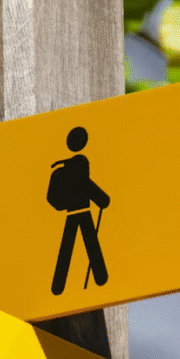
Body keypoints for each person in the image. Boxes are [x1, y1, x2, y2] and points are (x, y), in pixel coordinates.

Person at [47, 126, 110, 295]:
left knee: (70, 247)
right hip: (83, 211)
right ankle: (100, 277)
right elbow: (87, 186)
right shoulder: (78, 166)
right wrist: (102, 200)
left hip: (73, 213)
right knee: (89, 244)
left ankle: (58, 286)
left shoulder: (65, 168)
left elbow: (86, 186)